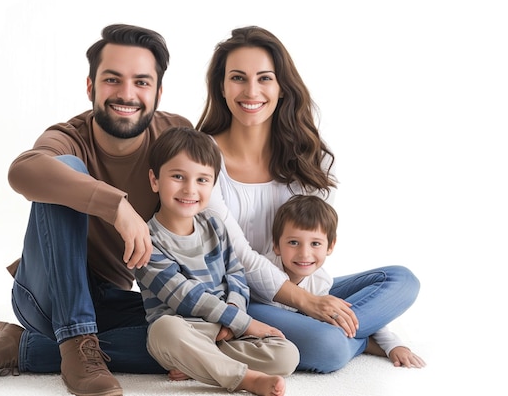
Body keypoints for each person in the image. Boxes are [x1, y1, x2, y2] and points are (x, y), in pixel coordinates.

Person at [0, 24, 193, 396]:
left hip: (109, 301)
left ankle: (22, 347)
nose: (127, 94)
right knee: (64, 169)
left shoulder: (175, 136)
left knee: (194, 340)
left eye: (142, 82)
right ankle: (76, 342)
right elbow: (23, 169)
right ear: (91, 87)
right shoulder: (69, 136)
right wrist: (116, 206)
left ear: (159, 92)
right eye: (113, 79)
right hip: (45, 294)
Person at [196, 25, 422, 373]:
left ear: (282, 87)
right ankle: (353, 336)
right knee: (329, 348)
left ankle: (351, 331)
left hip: (303, 289)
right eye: (238, 78)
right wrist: (307, 302)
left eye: (265, 78)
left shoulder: (305, 156)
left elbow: (310, 251)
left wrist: (317, 302)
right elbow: (238, 259)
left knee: (402, 280)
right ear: (222, 87)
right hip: (243, 298)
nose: (252, 90)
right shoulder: (202, 157)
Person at [134, 126, 299, 396]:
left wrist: (233, 319)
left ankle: (200, 363)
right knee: (163, 330)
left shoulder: (214, 224)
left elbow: (235, 274)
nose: (190, 189)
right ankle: (243, 378)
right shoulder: (146, 240)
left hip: (224, 330)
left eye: (202, 180)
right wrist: (243, 323)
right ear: (155, 180)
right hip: (185, 329)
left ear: (213, 184)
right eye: (178, 176)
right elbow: (184, 296)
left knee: (287, 355)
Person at [269, 195, 425, 368]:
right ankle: (362, 342)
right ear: (276, 245)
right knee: (328, 343)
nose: (304, 254)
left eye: (315, 243)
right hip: (268, 320)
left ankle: (345, 340)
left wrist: (392, 344)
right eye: (293, 242)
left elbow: (351, 313)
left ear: (330, 246)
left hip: (313, 326)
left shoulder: (320, 280)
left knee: (402, 279)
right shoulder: (266, 273)